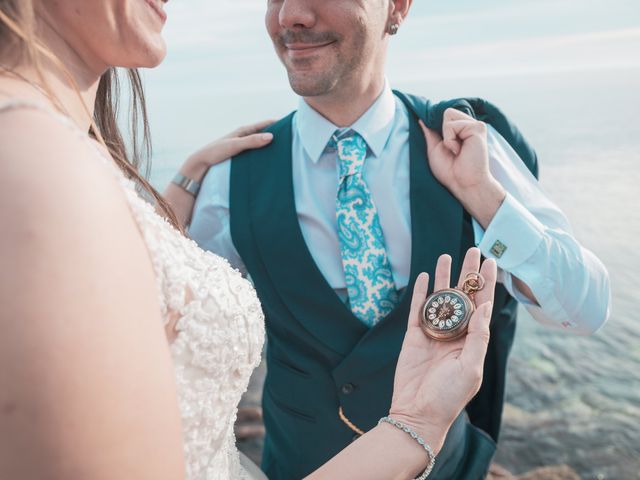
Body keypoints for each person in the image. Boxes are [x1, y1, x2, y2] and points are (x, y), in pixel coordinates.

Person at [0, 1, 501, 479]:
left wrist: (187, 178)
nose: (291, 15)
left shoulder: (62, 157)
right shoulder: (34, 167)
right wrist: (416, 426)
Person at [183, 0, 612, 478]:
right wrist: (183, 183)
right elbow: (167, 330)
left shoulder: (471, 147)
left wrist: (484, 198)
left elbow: (584, 310)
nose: (290, 16)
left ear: (397, 8)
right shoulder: (229, 179)